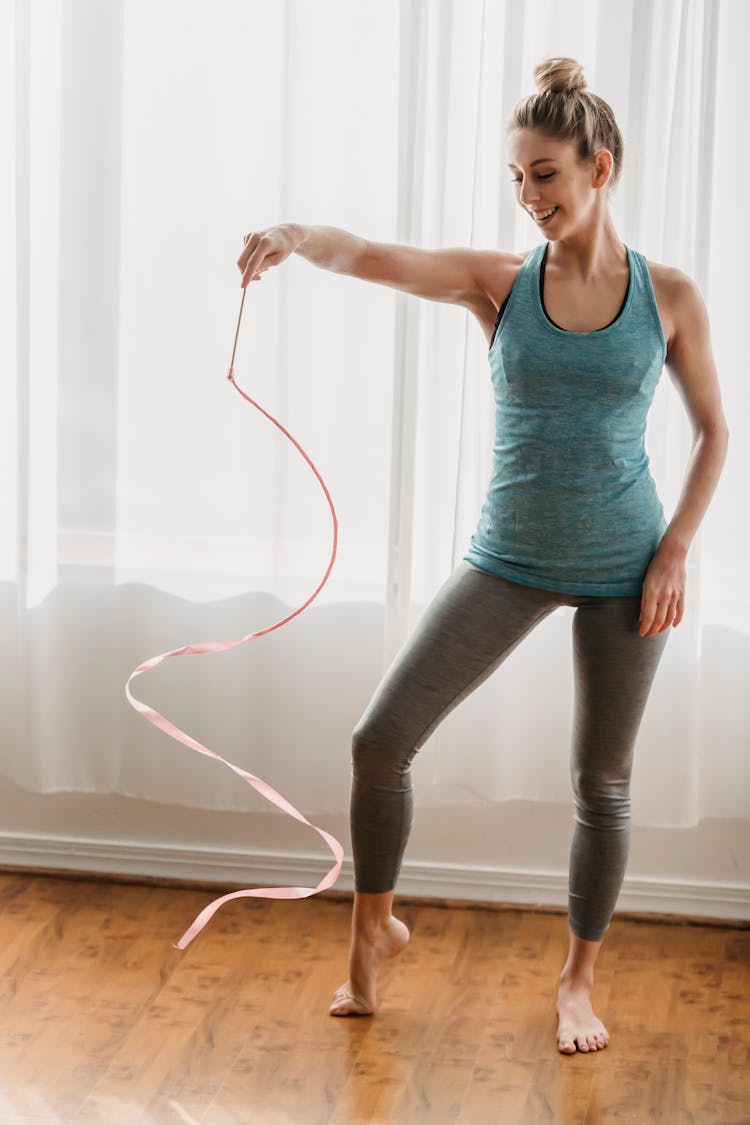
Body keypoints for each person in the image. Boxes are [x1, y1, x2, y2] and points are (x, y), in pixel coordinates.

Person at [236, 56, 729, 1055]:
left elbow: (718, 431)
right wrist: (294, 235)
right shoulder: (498, 283)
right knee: (381, 741)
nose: (528, 196)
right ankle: (374, 932)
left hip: (627, 565)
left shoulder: (667, 294)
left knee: (604, 785)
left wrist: (676, 546)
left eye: (545, 175)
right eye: (516, 177)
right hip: (509, 556)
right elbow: (373, 253)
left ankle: (577, 984)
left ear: (600, 169)